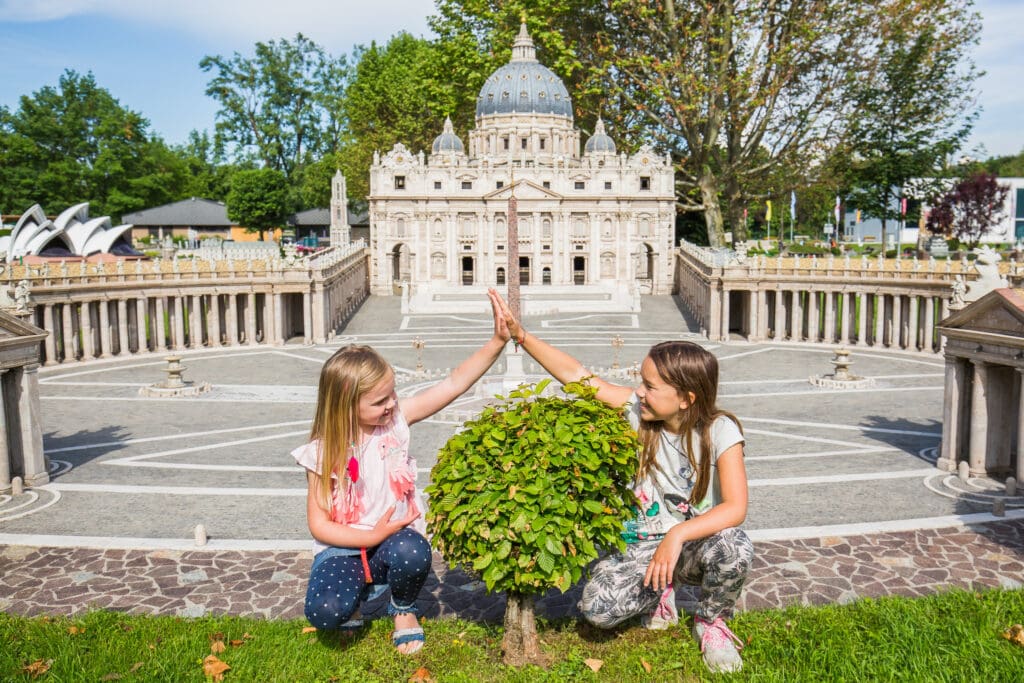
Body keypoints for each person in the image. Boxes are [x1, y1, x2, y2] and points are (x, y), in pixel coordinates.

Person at [489, 289, 754, 673]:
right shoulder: (637, 413)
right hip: (641, 546)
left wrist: (676, 535)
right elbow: (579, 377)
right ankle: (660, 593)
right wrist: (522, 336)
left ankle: (711, 622)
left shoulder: (721, 430)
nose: (640, 392)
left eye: (650, 386)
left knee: (735, 547)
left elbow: (736, 507)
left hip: (693, 542)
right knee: (597, 610)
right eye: (641, 383)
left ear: (686, 398)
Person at [293, 295, 510, 654]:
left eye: (392, 393)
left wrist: (497, 342)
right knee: (326, 613)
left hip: (395, 542)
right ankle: (354, 596)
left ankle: (403, 609)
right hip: (342, 550)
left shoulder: (396, 422)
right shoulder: (321, 453)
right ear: (347, 403)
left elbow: (453, 384)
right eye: (380, 401)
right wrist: (371, 534)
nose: (391, 403)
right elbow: (319, 525)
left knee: (413, 551)